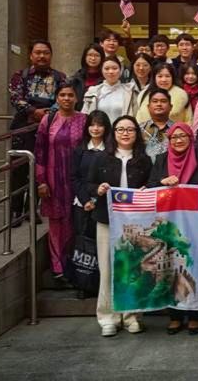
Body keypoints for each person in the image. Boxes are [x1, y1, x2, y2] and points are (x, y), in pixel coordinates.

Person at [147, 122, 198, 336]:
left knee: (194, 268)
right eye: (174, 137)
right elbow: (151, 186)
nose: (178, 140)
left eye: (182, 136)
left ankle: (195, 315)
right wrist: (162, 182)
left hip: (196, 224)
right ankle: (175, 316)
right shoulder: (161, 160)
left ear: (190, 138)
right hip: (169, 224)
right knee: (170, 268)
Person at [87, 115, 152, 337]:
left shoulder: (144, 160)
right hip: (107, 220)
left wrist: (146, 190)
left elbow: (151, 184)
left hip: (135, 222)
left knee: (134, 269)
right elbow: (88, 183)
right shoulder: (101, 158)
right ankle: (108, 318)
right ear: (113, 133)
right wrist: (98, 189)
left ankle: (132, 316)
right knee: (107, 270)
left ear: (137, 134)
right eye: (120, 129)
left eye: (130, 129)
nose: (125, 133)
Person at [9, 40, 67, 226]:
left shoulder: (60, 77)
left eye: (46, 52)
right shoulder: (20, 76)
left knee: (40, 170)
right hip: (23, 129)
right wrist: (34, 112)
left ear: (51, 55)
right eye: (38, 52)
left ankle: (31, 209)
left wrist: (48, 114)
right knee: (18, 170)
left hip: (49, 128)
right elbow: (15, 98)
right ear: (31, 55)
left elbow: (63, 98)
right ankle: (15, 211)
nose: (42, 56)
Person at [34, 83, 87, 279]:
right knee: (56, 223)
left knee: (76, 220)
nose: (66, 98)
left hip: (77, 178)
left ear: (76, 98)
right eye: (62, 95)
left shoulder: (84, 120)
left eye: (70, 95)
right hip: (53, 179)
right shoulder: (48, 120)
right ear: (57, 98)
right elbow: (40, 151)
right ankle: (58, 267)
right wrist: (41, 181)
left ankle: (76, 265)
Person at [70, 110, 111, 299]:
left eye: (100, 125)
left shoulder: (110, 150)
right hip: (82, 203)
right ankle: (83, 284)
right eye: (92, 124)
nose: (95, 128)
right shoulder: (79, 150)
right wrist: (86, 200)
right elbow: (74, 177)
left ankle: (102, 284)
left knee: (102, 246)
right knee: (83, 244)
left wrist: (95, 200)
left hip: (102, 204)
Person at [81, 56, 138, 123]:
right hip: (99, 129)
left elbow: (136, 115)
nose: (111, 71)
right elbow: (84, 116)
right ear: (102, 70)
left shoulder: (130, 90)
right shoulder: (93, 92)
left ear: (120, 70)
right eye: (106, 69)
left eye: (114, 68)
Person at [139, 88, 174, 162]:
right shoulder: (139, 129)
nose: (159, 104)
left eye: (163, 101)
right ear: (148, 107)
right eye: (155, 101)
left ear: (171, 107)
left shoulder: (178, 130)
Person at [70, 43, 105, 111]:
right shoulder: (76, 78)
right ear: (84, 57)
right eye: (90, 55)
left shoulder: (106, 78)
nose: (93, 58)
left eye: (97, 55)